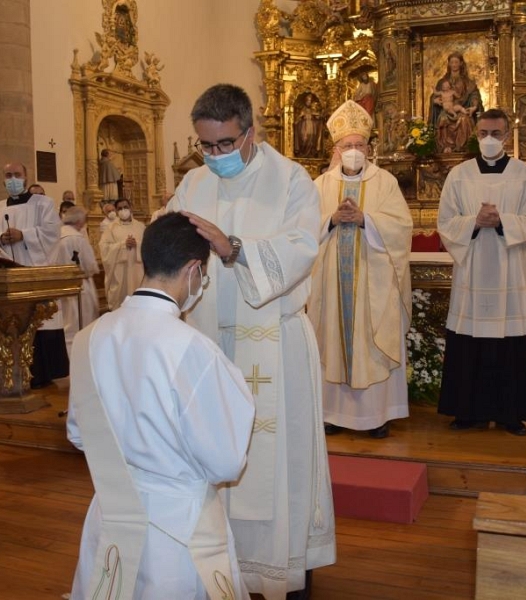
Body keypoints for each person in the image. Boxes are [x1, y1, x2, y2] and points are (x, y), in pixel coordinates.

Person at [169, 83, 335, 599]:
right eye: (206, 146)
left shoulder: (291, 179)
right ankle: (223, 568)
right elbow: (167, 240)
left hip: (276, 347)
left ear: (250, 131)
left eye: (224, 144)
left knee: (279, 457)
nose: (214, 156)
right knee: (212, 457)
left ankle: (284, 567)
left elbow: (302, 245)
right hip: (207, 344)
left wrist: (233, 248)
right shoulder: (193, 184)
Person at [67, 212, 255, 599]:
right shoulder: (193, 349)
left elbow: (78, 432)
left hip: (112, 516)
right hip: (177, 530)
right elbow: (225, 461)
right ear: (192, 270)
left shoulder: (89, 337)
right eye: (203, 274)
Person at [307, 100, 413, 440]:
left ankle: (375, 415)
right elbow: (301, 230)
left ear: (369, 148)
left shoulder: (385, 183)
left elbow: (401, 227)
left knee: (368, 342)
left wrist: (366, 219)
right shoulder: (319, 186)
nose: (354, 150)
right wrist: (331, 220)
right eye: (347, 145)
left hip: (373, 283)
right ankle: (332, 413)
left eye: (359, 145)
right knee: (332, 341)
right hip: (330, 285)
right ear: (336, 149)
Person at [436, 108, 526, 436]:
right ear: (476, 134)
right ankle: (468, 412)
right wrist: (473, 222)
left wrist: (502, 222)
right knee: (469, 342)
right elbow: (445, 220)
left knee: (510, 343)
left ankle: (511, 414)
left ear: (507, 137)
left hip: (510, 272)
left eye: (495, 134)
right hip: (472, 272)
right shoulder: (459, 175)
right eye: (483, 134)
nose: (488, 140)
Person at [1, 162, 69, 388]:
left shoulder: (43, 203)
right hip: (8, 277)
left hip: (34, 273)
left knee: (40, 323)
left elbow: (51, 233)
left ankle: (41, 374)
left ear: (26, 176)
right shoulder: (0, 207)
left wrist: (23, 235)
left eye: (17, 175)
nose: (12, 179)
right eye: (8, 175)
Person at [52, 206, 99, 356]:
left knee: (67, 323)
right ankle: (79, 356)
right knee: (81, 322)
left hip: (59, 286)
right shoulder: (78, 238)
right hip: (79, 286)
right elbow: (90, 265)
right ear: (79, 221)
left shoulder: (56, 235)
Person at [430, 52, 483, 153]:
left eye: (456, 62)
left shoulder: (467, 82)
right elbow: (435, 95)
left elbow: (474, 94)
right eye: (452, 62)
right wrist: (435, 100)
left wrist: (474, 106)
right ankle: (445, 147)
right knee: (443, 119)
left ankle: (462, 147)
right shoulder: (442, 82)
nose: (454, 64)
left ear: (461, 64)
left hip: (461, 109)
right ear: (449, 64)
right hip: (446, 110)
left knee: (464, 119)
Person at [99, 197, 145, 310]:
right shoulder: (111, 228)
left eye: (125, 207)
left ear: (131, 208)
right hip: (119, 272)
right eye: (119, 208)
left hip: (137, 271)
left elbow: (149, 247)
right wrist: (122, 245)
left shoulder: (140, 226)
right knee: (120, 304)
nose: (123, 210)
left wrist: (137, 244)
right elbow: (104, 248)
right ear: (116, 210)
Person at [294, 92, 323, 158]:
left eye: (310, 101)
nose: (309, 102)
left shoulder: (313, 110)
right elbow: (296, 120)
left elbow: (318, 118)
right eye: (307, 101)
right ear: (305, 101)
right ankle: (303, 153)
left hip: (312, 127)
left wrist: (317, 116)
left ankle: (311, 153)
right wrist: (301, 116)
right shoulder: (302, 110)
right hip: (304, 127)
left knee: (312, 139)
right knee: (304, 140)